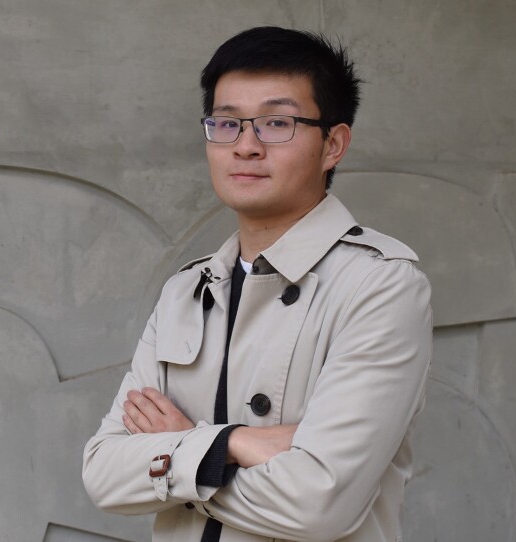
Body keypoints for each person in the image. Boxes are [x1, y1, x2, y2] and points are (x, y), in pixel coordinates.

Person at [83, 26, 432, 542]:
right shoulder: (187, 290)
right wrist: (237, 443)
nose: (245, 146)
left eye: (277, 123)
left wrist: (183, 447)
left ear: (333, 144)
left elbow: (316, 505)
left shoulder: (380, 286)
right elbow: (104, 474)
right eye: (225, 124)